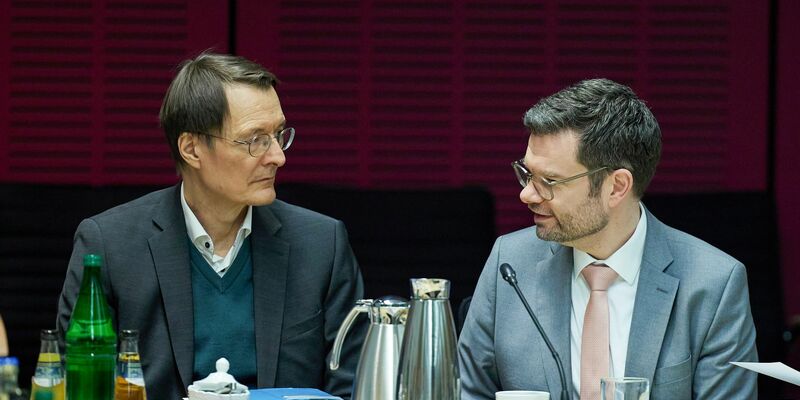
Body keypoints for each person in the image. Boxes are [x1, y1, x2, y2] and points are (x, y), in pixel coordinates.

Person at [56, 52, 366, 400]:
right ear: (191, 149)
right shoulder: (110, 245)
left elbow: (353, 385)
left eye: (278, 135)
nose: (278, 156)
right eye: (255, 140)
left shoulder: (322, 244)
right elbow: (79, 383)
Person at [458, 78, 758, 399]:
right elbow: (468, 392)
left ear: (616, 187)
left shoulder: (713, 285)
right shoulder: (510, 263)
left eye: (549, 180)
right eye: (527, 173)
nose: (526, 194)